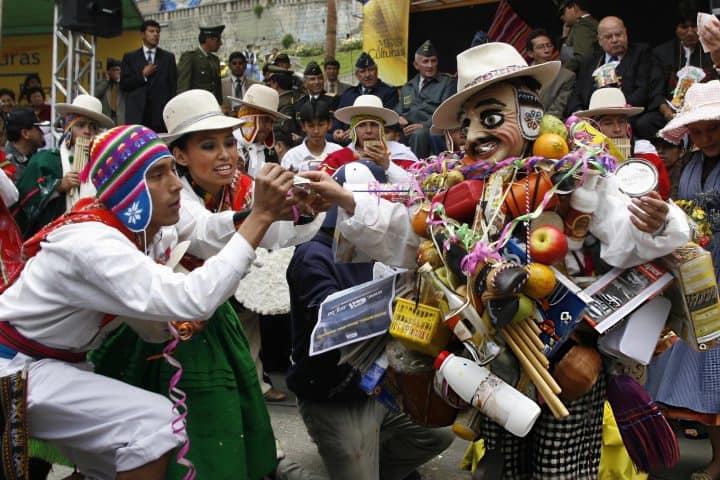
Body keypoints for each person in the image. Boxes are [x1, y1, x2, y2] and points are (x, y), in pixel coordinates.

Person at [303, 42, 689, 478]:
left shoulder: (573, 173)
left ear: (529, 115)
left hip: (569, 359)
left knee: (559, 468)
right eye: (466, 125)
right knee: (503, 463)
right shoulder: (462, 183)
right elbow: (410, 234)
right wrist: (349, 202)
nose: (472, 137)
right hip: (495, 362)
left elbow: (624, 233)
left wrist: (653, 221)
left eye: (489, 119)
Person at [0, 122, 298, 480]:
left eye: (172, 170)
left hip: (60, 362)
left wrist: (272, 213)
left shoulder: (143, 226)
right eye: (156, 174)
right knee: (154, 424)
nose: (174, 184)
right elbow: (191, 299)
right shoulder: (92, 242)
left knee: (117, 455)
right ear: (127, 185)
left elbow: (203, 231)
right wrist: (261, 215)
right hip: (19, 367)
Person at [92, 90, 318, 479]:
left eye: (230, 142)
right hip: (162, 322)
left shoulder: (243, 187)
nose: (225, 154)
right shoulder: (169, 191)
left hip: (214, 317)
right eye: (209, 145)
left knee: (232, 406)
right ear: (179, 156)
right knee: (175, 419)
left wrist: (301, 207)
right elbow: (200, 231)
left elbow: (275, 235)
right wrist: (260, 213)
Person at [276, 160, 455, 480]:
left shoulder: (374, 247)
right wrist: (395, 306)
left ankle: (381, 467)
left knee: (438, 433)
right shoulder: (312, 256)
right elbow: (334, 326)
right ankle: (284, 471)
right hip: (331, 395)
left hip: (374, 387)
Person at [650, 79, 720, 480]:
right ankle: (716, 455)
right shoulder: (690, 165)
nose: (707, 137)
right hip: (698, 279)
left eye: (714, 128)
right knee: (706, 371)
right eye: (699, 131)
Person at [14, 95, 114, 238]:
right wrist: (58, 186)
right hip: (56, 238)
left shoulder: (105, 165)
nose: (87, 131)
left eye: (92, 127)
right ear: (69, 128)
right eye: (81, 125)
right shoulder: (46, 160)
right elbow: (23, 200)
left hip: (94, 236)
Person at [566, 16, 665, 139]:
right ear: (600, 41)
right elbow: (577, 95)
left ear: (626, 34)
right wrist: (581, 115)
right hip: (593, 118)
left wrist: (616, 112)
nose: (615, 40)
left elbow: (642, 91)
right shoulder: (590, 62)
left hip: (626, 116)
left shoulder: (641, 54)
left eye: (618, 35)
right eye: (608, 37)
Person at [574, 87, 671, 200]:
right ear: (595, 128)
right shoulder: (582, 162)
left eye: (621, 121)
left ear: (627, 125)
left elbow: (663, 200)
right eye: (608, 123)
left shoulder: (648, 158)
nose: (617, 129)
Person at [653, 2, 718, 124]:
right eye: (684, 27)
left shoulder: (713, 50)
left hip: (705, 108)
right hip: (671, 109)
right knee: (645, 123)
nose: (690, 32)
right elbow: (656, 92)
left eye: (694, 26)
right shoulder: (661, 53)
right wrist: (667, 112)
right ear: (676, 29)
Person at [328, 95, 417, 176]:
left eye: (374, 125)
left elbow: (417, 185)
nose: (368, 131)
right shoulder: (339, 157)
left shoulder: (400, 152)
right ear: (353, 130)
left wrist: (388, 166)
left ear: (382, 129)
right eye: (361, 125)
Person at [395, 40, 455, 159]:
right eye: (425, 61)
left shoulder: (447, 82)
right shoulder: (408, 87)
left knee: (419, 134)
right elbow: (398, 111)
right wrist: (398, 118)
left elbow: (447, 111)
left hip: (433, 130)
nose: (430, 65)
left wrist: (424, 126)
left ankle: (418, 172)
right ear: (416, 65)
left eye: (433, 61)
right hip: (408, 131)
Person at [121, 19, 177, 133]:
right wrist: (142, 75)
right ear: (142, 34)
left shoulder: (168, 58)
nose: (155, 34)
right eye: (151, 31)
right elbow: (124, 84)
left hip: (160, 117)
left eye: (158, 32)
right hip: (137, 116)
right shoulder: (130, 57)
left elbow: (173, 87)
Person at [331, 52, 399, 145]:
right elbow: (338, 116)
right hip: (344, 139)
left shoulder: (388, 92)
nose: (367, 75)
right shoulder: (348, 93)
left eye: (371, 70)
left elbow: (388, 121)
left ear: (376, 71)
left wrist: (356, 132)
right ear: (357, 75)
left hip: (372, 138)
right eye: (362, 71)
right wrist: (337, 130)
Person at [231, 84, 290, 179]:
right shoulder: (228, 146)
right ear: (249, 119)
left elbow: (269, 188)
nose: (269, 127)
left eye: (271, 122)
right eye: (265, 120)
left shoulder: (269, 153)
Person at [526, 29, 576, 119]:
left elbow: (558, 108)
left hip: (548, 126)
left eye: (549, 46)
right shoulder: (522, 75)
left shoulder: (567, 76)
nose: (547, 50)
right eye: (540, 47)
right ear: (530, 54)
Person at [282, 101, 342, 172]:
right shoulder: (291, 157)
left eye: (321, 125)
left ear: (329, 124)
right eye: (311, 126)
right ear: (303, 126)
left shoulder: (339, 152)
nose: (316, 131)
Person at [177, 25, 224, 104]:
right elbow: (183, 87)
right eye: (218, 40)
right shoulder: (190, 57)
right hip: (196, 105)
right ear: (208, 39)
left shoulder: (215, 60)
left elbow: (217, 88)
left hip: (213, 106)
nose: (221, 43)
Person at [290, 62, 336, 137]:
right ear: (305, 83)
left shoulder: (333, 100)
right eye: (312, 79)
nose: (317, 82)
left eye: (320, 78)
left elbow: (335, 127)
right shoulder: (299, 104)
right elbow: (296, 129)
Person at [3, 108, 47, 180]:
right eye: (37, 128)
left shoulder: (30, 154)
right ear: (25, 133)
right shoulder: (9, 166)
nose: (42, 132)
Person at [558, 0, 598, 73]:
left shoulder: (583, 24)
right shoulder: (580, 25)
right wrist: (565, 36)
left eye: (563, 12)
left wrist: (561, 73)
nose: (561, 17)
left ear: (574, 8)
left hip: (583, 76)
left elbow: (582, 56)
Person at [221, 51, 258, 116]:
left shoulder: (254, 86)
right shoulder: (221, 84)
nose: (237, 66)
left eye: (240, 63)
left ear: (245, 65)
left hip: (248, 119)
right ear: (229, 66)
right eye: (234, 63)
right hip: (228, 119)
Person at [95, 57, 125, 125]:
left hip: (120, 119)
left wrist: (120, 80)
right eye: (115, 70)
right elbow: (95, 94)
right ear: (109, 72)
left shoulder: (123, 83)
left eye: (119, 70)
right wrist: (107, 80)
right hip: (106, 118)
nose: (118, 72)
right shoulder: (103, 83)